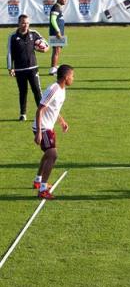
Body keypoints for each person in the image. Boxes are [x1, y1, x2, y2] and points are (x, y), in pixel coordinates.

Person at [33, 64, 74, 199]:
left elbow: (54, 108)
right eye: (72, 76)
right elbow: (40, 109)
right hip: (43, 127)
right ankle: (43, 190)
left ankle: (38, 181)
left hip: (48, 127)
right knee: (52, 155)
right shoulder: (54, 89)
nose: (73, 79)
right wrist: (39, 132)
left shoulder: (62, 89)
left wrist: (61, 121)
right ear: (66, 77)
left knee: (48, 154)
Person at [7, 14, 48, 121]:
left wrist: (43, 49)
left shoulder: (34, 34)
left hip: (33, 68)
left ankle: (42, 114)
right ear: (19, 23)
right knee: (23, 91)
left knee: (37, 90)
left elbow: (46, 45)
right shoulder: (12, 37)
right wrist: (10, 67)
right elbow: (10, 53)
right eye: (23, 23)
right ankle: (23, 114)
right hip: (19, 69)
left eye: (27, 23)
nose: (25, 25)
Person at [49, 0, 67, 76]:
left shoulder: (59, 7)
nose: (65, 0)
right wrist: (57, 31)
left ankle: (55, 67)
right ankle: (53, 69)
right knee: (56, 51)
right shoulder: (56, 7)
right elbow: (53, 20)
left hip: (59, 32)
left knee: (58, 51)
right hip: (56, 33)